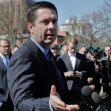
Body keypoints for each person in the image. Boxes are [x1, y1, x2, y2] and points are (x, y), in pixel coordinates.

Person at [7, 1, 80, 111]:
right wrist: (50, 104)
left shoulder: (49, 54)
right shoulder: (23, 56)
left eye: (54, 21)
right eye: (45, 22)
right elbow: (22, 103)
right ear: (31, 27)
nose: (51, 26)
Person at [0, 37, 13, 111]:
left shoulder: (13, 58)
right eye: (4, 46)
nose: (7, 48)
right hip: (1, 98)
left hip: (12, 97)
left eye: (8, 46)